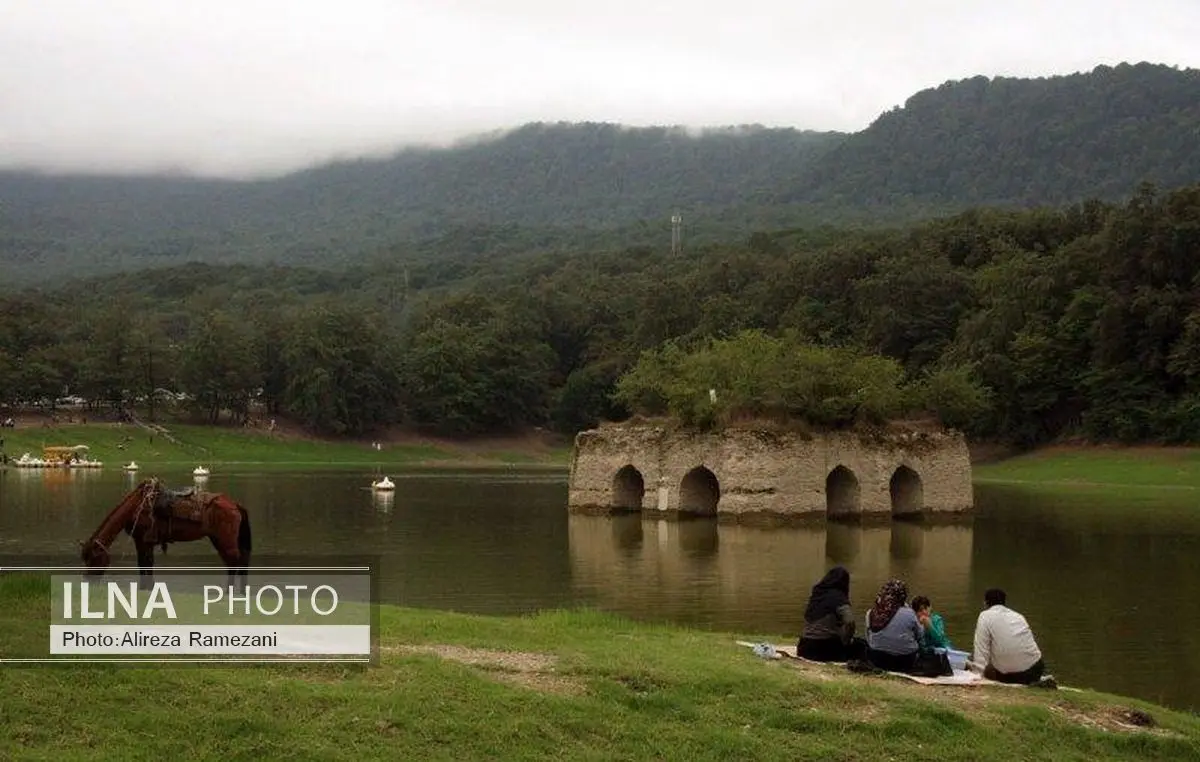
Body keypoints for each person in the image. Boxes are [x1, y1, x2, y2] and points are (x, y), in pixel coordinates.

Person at [972, 588, 1053, 686]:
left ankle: (1022, 680)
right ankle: (1035, 681)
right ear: (1004, 602)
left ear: (985, 603)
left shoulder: (984, 616)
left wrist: (977, 674)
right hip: (1036, 669)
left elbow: (981, 648)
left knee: (989, 670)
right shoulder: (1018, 616)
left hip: (1012, 676)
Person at [796, 566, 867, 662]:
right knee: (861, 645)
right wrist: (846, 640)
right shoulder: (839, 598)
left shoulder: (816, 594)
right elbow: (850, 622)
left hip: (804, 647)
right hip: (825, 650)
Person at [864, 578, 923, 673]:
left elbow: (868, 637)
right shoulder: (910, 613)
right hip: (905, 661)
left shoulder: (871, 613)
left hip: (877, 660)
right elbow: (920, 635)